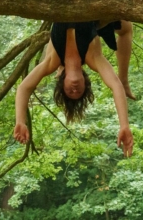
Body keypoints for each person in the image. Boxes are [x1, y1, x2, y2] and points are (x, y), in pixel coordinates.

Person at [13, 20, 136, 157]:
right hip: (93, 15)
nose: (75, 89)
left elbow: (24, 88)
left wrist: (20, 121)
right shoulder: (93, 58)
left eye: (70, 92)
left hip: (63, 4)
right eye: (79, 91)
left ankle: (124, 80)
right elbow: (115, 85)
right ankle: (124, 79)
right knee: (126, 27)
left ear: (62, 81)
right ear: (85, 82)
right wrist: (124, 125)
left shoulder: (52, 61)